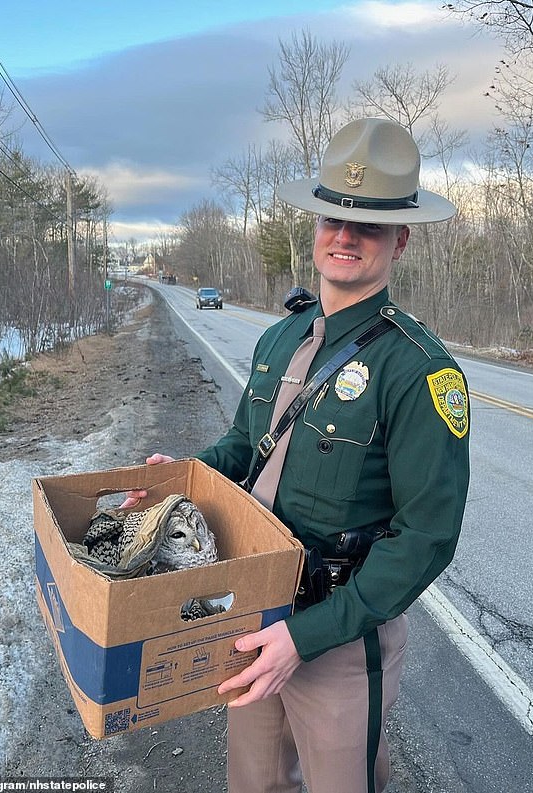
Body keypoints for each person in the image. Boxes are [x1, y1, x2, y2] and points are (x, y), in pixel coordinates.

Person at [122, 117, 471, 793]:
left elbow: (426, 537)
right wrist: (180, 477)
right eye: (333, 218)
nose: (345, 236)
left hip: (338, 638)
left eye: (368, 224)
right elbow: (240, 448)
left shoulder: (420, 371)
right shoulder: (279, 340)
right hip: (250, 611)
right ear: (315, 228)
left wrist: (307, 637)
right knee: (253, 782)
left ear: (399, 239)